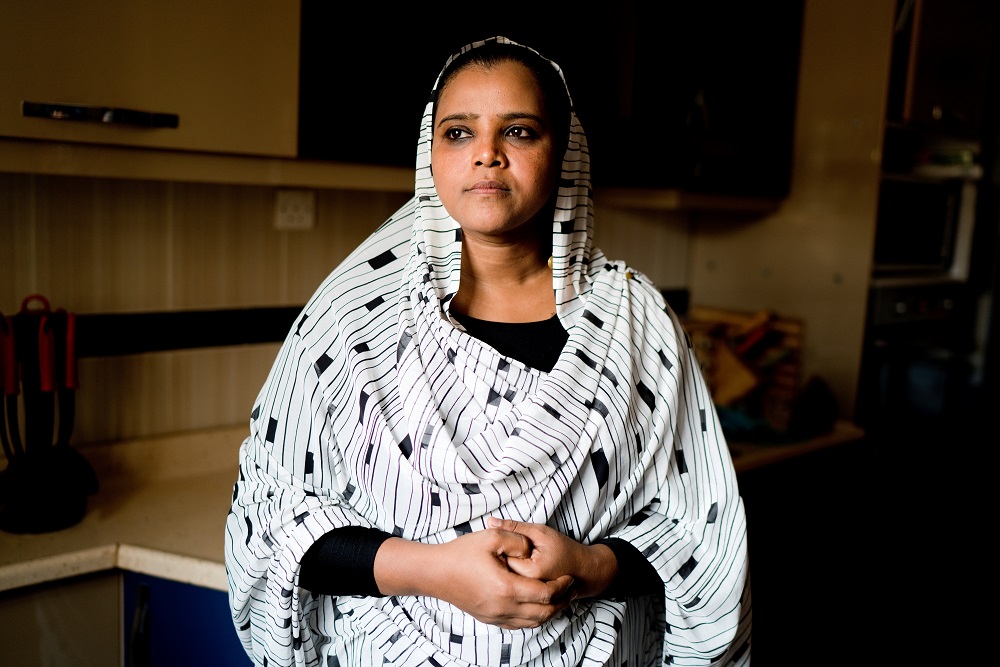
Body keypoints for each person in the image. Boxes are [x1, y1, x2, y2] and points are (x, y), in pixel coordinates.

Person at [225, 36, 751, 667]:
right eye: (458, 132)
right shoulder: (352, 320)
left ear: (564, 152)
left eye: (520, 131)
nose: (487, 153)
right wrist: (436, 571)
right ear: (430, 153)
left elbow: (701, 533)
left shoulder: (636, 321)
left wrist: (590, 565)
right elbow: (270, 521)